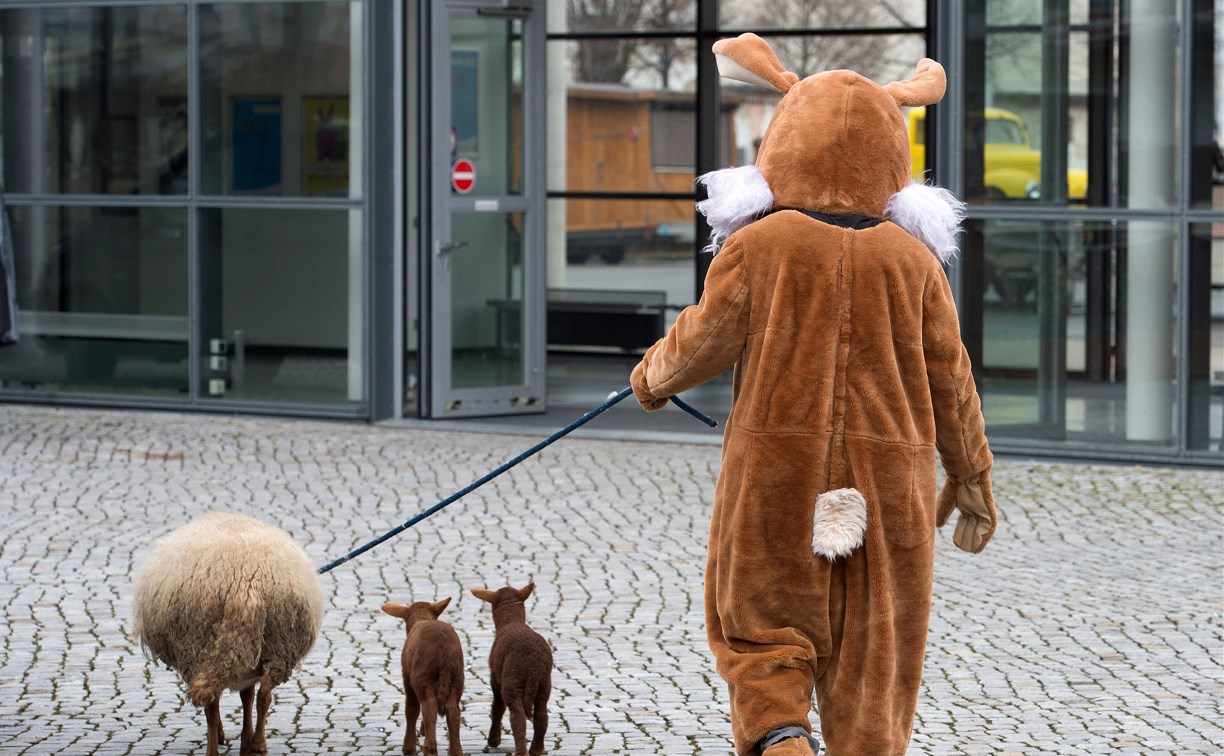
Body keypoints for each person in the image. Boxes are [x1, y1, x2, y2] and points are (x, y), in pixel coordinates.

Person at [631, 34, 997, 756]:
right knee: (876, 657)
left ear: (782, 141)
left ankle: (780, 738)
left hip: (777, 479)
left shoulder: (760, 246)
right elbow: (951, 380)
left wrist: (650, 380)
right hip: (889, 490)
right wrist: (972, 475)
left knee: (762, 632)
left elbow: (700, 340)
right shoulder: (915, 263)